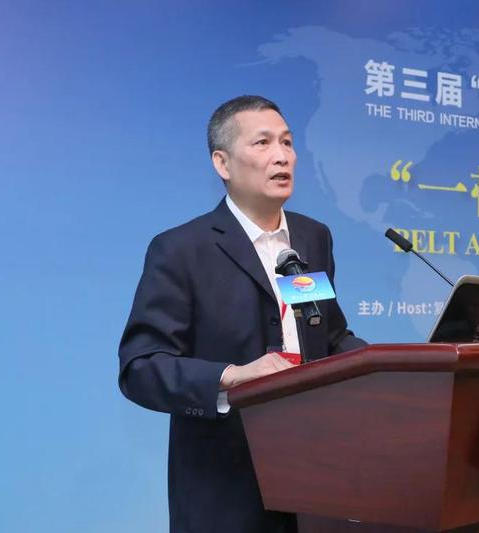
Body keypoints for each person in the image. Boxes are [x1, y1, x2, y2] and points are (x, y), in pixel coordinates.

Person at [118, 95, 365, 533]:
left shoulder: (313, 237)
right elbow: (142, 367)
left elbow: (329, 334)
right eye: (263, 143)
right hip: (226, 486)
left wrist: (386, 367)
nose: (282, 156)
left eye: (287, 142)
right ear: (223, 163)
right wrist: (231, 377)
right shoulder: (182, 250)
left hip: (316, 476)